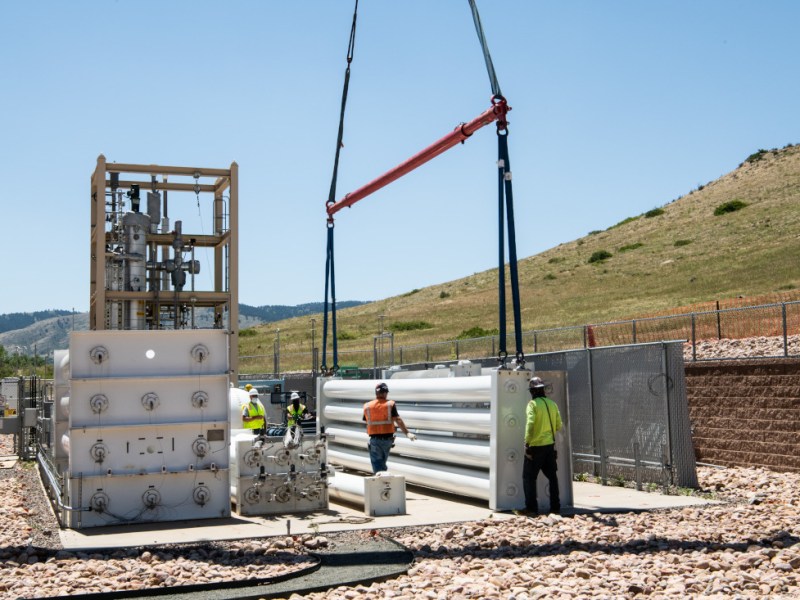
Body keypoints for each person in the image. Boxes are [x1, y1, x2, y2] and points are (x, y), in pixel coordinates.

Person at [520, 376, 563, 516]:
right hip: (550, 446)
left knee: (529, 478)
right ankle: (555, 507)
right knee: (552, 477)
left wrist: (527, 442)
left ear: (532, 391)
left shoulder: (532, 405)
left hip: (535, 447)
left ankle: (531, 509)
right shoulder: (552, 404)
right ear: (542, 390)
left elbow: (530, 424)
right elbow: (558, 425)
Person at [363, 382, 416, 473]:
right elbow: (398, 420)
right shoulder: (390, 404)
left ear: (376, 393)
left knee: (378, 465)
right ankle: (383, 481)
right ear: (384, 393)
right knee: (381, 464)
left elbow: (366, 421)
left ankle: (381, 483)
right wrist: (407, 433)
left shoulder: (367, 406)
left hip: (374, 440)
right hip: (387, 440)